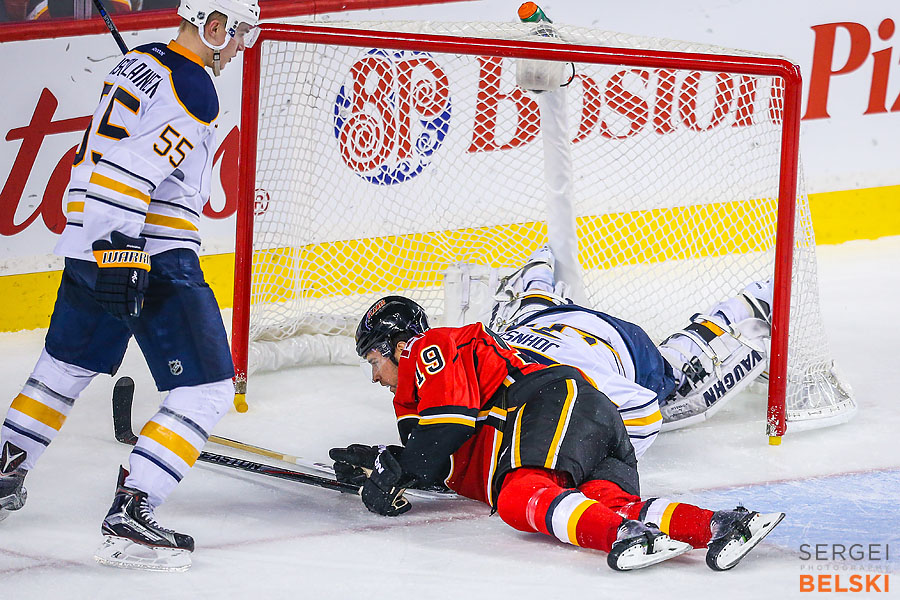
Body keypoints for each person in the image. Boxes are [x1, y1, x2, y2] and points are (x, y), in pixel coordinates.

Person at [0, 0, 259, 572]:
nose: (241, 45)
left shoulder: (138, 62)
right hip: (147, 251)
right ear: (213, 27)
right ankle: (132, 512)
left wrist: (104, 246)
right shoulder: (195, 87)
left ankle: (3, 469)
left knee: (61, 371)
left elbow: (116, 154)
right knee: (208, 390)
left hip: (87, 243)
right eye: (238, 32)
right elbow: (129, 170)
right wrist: (121, 252)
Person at [330, 295, 784, 571]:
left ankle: (624, 537)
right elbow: (439, 457)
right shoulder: (422, 396)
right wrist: (383, 463)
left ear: (399, 345)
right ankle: (722, 524)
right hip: (592, 421)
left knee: (517, 495)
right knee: (612, 503)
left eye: (374, 360)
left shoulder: (431, 348)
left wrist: (401, 470)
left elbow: (446, 428)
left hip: (555, 404)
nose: (375, 376)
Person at [487, 245, 773, 451]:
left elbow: (644, 406)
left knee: (671, 373)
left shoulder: (572, 384)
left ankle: (742, 307)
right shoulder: (500, 367)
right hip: (548, 324)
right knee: (525, 318)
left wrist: (609, 457)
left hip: (619, 342)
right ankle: (537, 272)